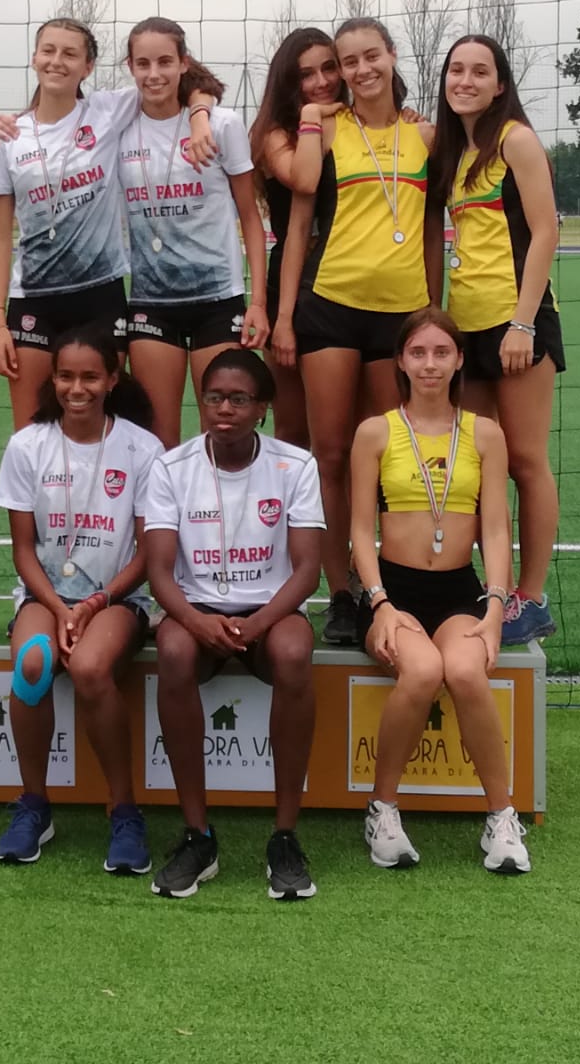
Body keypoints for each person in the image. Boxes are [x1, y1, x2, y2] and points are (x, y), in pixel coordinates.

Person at [273, 17, 439, 646]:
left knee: (393, 455)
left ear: (392, 56)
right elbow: (299, 225)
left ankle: (394, 586)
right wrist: (285, 315)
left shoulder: (426, 135)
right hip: (330, 308)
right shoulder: (326, 129)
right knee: (333, 455)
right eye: (349, 62)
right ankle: (342, 592)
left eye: (372, 56)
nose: (362, 69)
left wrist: (433, 313)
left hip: (401, 317)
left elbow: (430, 230)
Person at [348, 309, 529, 874]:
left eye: (441, 353)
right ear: (401, 362)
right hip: (393, 591)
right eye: (418, 353)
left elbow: (495, 530)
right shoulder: (376, 432)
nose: (430, 364)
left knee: (467, 671)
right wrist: (379, 604)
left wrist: (496, 607)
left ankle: (502, 816)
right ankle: (382, 809)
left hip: (458, 591)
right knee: (424, 671)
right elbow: (359, 532)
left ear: (458, 360)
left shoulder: (484, 433)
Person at [141, 348, 325, 901]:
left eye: (239, 399)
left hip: (271, 612)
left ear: (262, 407)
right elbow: (158, 570)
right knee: (174, 651)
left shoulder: (297, 465)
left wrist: (260, 622)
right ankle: (198, 836)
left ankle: (285, 836)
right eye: (214, 397)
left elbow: (308, 570)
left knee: (293, 651)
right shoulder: (171, 468)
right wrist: (196, 621)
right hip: (195, 610)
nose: (225, 409)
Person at [0, 17, 217, 431]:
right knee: (32, 433)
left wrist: (199, 115)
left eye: (70, 53)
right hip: (33, 300)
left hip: (100, 296)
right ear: (34, 58)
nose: (57, 61)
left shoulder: (109, 110)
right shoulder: (9, 137)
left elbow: (190, 81)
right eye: (48, 51)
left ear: (87, 66)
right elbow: (0, 237)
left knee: (102, 427)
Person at [0, 327, 165, 871]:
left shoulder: (142, 448)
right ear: (53, 379)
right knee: (32, 662)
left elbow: (148, 554)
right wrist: (61, 607)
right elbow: (23, 551)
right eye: (65, 376)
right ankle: (34, 804)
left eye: (90, 377)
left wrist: (95, 603)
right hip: (46, 595)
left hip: (117, 598)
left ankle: (124, 810)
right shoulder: (28, 445)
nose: (76, 388)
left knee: (90, 666)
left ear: (113, 379)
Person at [432, 34, 562, 646]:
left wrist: (523, 323)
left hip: (517, 324)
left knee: (526, 462)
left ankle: (531, 598)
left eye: (479, 71)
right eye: (456, 70)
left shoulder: (515, 139)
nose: (465, 80)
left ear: (500, 83)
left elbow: (546, 231)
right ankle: (496, 592)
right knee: (483, 465)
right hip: (467, 328)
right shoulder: (454, 150)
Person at [117, 17, 268, 447]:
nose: (154, 74)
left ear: (184, 62)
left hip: (217, 300)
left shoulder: (221, 124)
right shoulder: (119, 124)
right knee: (156, 440)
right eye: (143, 63)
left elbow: (251, 218)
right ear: (130, 66)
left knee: (222, 436)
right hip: (151, 302)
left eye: (165, 61)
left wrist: (258, 302)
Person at [249, 27, 346, 448]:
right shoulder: (274, 135)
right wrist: (315, 117)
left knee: (344, 431)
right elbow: (303, 180)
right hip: (289, 282)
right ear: (289, 80)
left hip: (344, 280)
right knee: (292, 429)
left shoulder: (350, 125)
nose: (321, 81)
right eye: (307, 74)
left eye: (329, 68)